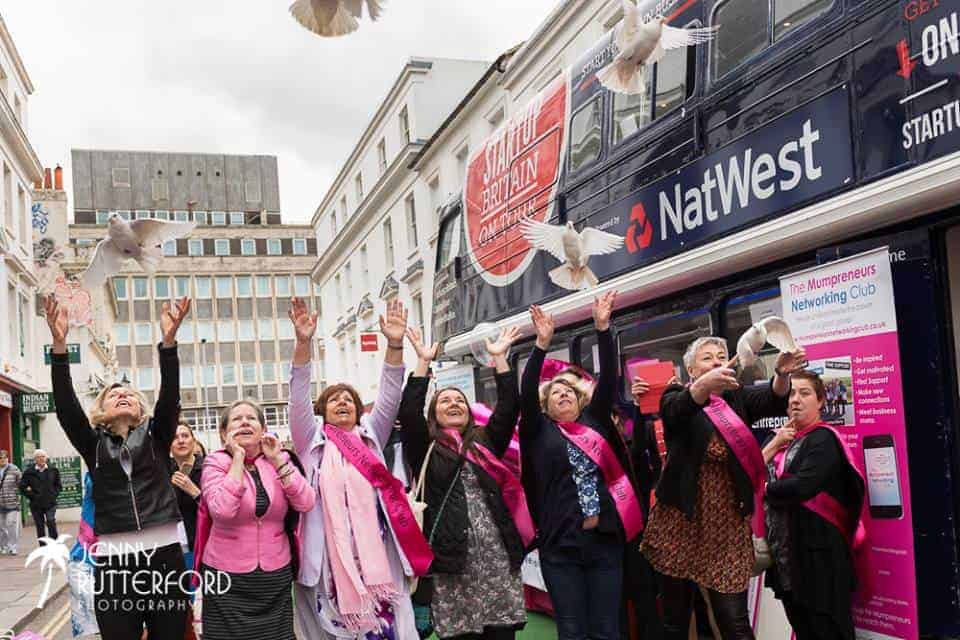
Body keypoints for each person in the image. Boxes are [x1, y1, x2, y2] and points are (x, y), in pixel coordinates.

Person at [46, 294, 192, 639]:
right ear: (101, 411)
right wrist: (60, 346)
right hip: (115, 564)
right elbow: (66, 406)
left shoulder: (157, 437)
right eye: (112, 394)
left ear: (140, 408)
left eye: (127, 393)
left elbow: (169, 396)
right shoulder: (92, 443)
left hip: (165, 558)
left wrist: (168, 345)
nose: (121, 394)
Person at [641, 336, 806, 640]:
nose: (717, 361)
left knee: (734, 623)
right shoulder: (677, 395)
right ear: (691, 370)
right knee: (675, 622)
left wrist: (782, 375)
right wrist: (704, 387)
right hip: (680, 524)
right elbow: (676, 409)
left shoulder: (736, 397)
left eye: (721, 356)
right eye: (707, 358)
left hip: (727, 528)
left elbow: (772, 397)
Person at [288, 297, 432, 639]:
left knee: (386, 629)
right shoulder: (311, 442)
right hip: (329, 561)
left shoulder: (371, 437)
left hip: (378, 555)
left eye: (348, 399)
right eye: (334, 399)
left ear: (358, 411)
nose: (342, 402)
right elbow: (296, 397)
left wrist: (395, 345)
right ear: (322, 411)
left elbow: (390, 394)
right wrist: (303, 344)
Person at [520, 292, 645, 640]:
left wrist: (603, 329)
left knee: (608, 629)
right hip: (560, 547)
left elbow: (607, 382)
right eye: (556, 393)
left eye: (570, 392)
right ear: (546, 404)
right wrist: (541, 344)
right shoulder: (538, 430)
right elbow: (527, 390)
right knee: (572, 630)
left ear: (580, 401)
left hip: (604, 540)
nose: (563, 394)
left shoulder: (595, 422)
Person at [399, 325, 528, 640]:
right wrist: (422, 363)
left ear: (470, 414)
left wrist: (500, 359)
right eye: (445, 402)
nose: (454, 404)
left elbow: (510, 406)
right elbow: (408, 411)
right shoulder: (425, 446)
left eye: (459, 401)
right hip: (451, 566)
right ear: (434, 415)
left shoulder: (485, 442)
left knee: (500, 633)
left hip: (497, 561)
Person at [198, 399, 316, 640]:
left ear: (263, 429)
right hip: (226, 577)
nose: (244, 422)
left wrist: (278, 461)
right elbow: (222, 510)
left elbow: (306, 502)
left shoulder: (279, 459)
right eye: (236, 419)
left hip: (274, 573)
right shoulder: (215, 462)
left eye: (251, 418)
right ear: (224, 433)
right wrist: (238, 459)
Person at [763, 371, 865, 640]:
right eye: (791, 394)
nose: (795, 400)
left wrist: (765, 490)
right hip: (787, 563)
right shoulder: (778, 440)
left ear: (820, 401)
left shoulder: (824, 440)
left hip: (821, 563)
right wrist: (773, 446)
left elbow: (801, 487)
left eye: (804, 393)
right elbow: (747, 474)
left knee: (829, 632)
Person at [170, 422, 204, 561]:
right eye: (175, 437)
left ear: (194, 441)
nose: (181, 440)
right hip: (173, 547)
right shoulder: (162, 470)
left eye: (185, 436)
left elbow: (219, 508)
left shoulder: (209, 467)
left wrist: (195, 492)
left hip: (203, 545)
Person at [19, 449, 61, 544]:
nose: (41, 458)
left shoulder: (53, 470)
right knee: (40, 526)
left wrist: (53, 495)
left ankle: (54, 544)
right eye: (38, 457)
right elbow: (22, 487)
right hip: (36, 504)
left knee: (51, 522)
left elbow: (58, 485)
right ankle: (43, 546)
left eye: (43, 456)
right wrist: (32, 496)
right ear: (35, 459)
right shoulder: (29, 472)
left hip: (50, 503)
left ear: (46, 458)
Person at [0, 449, 22, 554]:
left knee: (11, 524)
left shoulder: (14, 469)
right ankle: (3, 546)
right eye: (0, 458)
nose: (2, 460)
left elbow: (21, 483)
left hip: (12, 502)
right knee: (1, 527)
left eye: (4, 457)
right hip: (0, 503)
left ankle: (13, 546)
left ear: (7, 458)